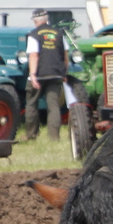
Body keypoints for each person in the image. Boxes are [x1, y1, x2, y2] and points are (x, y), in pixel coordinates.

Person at [24, 9, 66, 140]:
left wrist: (33, 75)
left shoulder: (34, 34)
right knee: (53, 106)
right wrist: (64, 73)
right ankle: (54, 137)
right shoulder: (59, 34)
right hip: (56, 74)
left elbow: (34, 56)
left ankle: (31, 135)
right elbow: (65, 56)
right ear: (46, 20)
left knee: (31, 104)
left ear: (35, 21)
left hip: (39, 74)